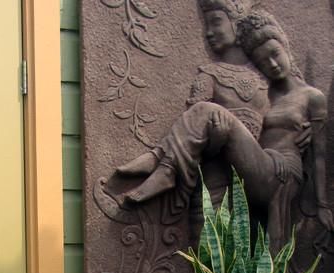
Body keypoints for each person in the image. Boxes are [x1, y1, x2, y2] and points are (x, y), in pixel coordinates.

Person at [120, 11, 333, 253]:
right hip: (259, 168)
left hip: (282, 174)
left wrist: (323, 205)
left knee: (210, 112)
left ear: (285, 46)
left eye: (275, 55)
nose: (272, 65)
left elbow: (319, 156)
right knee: (211, 115)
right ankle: (166, 164)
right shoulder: (265, 93)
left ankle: (164, 162)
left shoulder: (312, 97)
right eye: (264, 62)